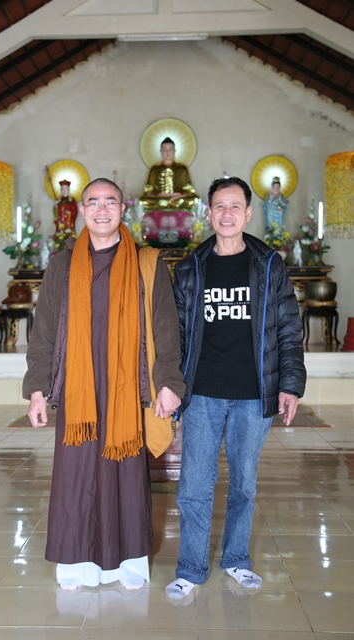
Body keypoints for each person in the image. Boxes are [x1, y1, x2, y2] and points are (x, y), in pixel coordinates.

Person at [23, 178, 185, 591]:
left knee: (125, 475)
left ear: (122, 209)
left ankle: (128, 563)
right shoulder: (61, 265)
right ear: (81, 210)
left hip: (126, 387)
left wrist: (169, 383)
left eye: (109, 201)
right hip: (78, 389)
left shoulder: (147, 263)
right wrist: (38, 389)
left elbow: (167, 329)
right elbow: (43, 333)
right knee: (75, 475)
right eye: (93, 202)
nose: (101, 209)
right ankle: (75, 564)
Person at [165, 176, 306, 599]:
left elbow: (288, 328)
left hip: (253, 391)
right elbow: (175, 335)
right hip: (203, 391)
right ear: (208, 213)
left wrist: (290, 385)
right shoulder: (190, 268)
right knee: (194, 484)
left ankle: (237, 559)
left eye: (234, 206)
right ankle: (190, 567)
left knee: (244, 482)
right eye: (219, 206)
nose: (226, 214)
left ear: (247, 213)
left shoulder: (269, 265)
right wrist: (171, 386)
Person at [140, 137, 199, 212]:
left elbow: (189, 189)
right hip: (159, 198)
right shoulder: (155, 169)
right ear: (161, 151)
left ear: (174, 151)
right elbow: (148, 189)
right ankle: (170, 203)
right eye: (165, 149)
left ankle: (167, 203)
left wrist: (176, 196)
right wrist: (162, 195)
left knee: (194, 200)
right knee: (143, 200)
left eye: (170, 149)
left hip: (177, 198)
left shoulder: (182, 168)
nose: (167, 152)